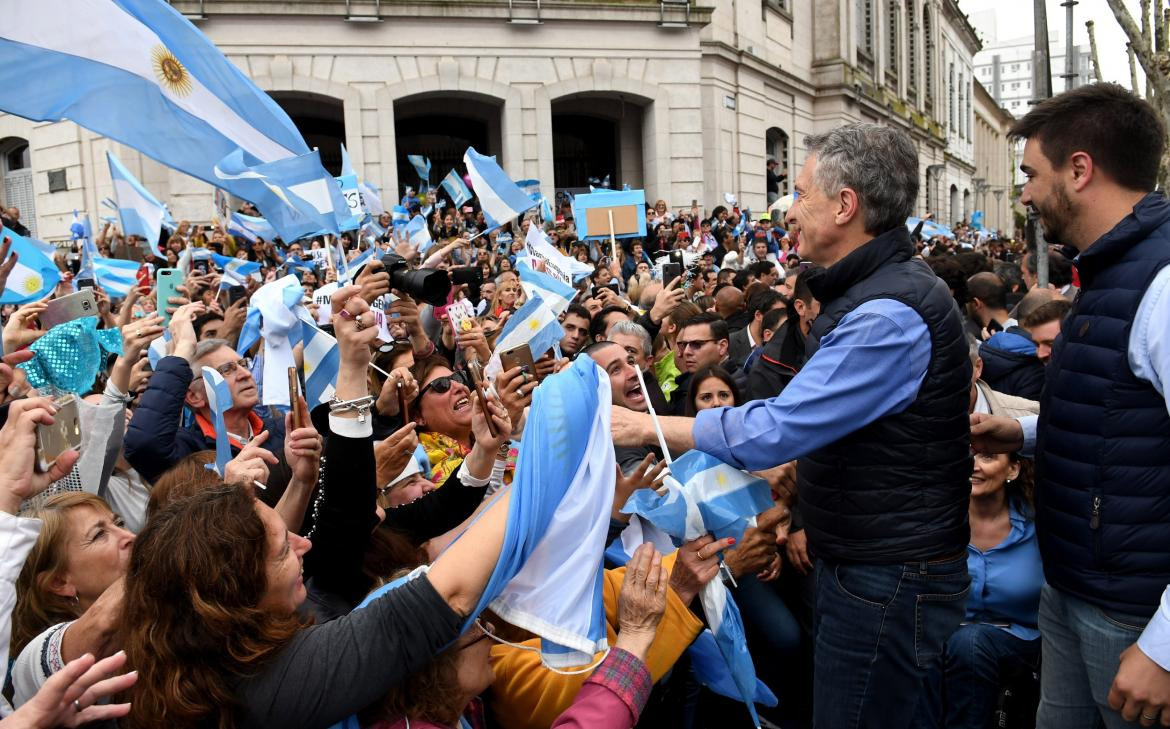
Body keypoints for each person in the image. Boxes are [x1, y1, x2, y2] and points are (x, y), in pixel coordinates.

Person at [611, 123, 973, 729]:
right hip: (871, 559)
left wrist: (646, 427)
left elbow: (776, 428)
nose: (788, 211)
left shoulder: (885, 314)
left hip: (886, 574)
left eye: (800, 193)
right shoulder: (871, 294)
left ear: (845, 204)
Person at [119, 289, 517, 729]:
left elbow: (427, 513)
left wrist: (484, 451)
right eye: (279, 549)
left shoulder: (255, 640)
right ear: (233, 593)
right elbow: (347, 519)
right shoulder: (273, 683)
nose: (302, 543)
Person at [970, 83, 1170, 729]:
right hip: (1074, 589)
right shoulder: (1109, 271)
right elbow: (1117, 416)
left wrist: (1164, 646)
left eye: (1031, 173)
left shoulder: (1161, 284)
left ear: (1079, 169)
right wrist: (1023, 434)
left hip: (1133, 615)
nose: (1023, 193)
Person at [364, 542, 672, 729]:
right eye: (476, 627)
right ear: (432, 669)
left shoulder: (455, 706)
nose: (492, 631)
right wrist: (635, 634)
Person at [912, 450, 1043, 729]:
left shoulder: (1038, 525)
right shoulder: (939, 522)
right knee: (920, 645)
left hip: (1020, 639)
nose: (974, 466)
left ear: (1013, 470)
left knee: (969, 643)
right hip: (947, 635)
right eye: (967, 455)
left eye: (987, 457)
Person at [123, 304, 288, 487]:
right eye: (227, 370)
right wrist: (183, 348)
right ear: (194, 396)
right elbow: (143, 445)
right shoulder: (189, 452)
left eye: (242, 364)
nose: (245, 374)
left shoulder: (283, 429)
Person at [728, 289, 786, 367]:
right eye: (777, 314)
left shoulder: (782, 343)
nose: (783, 320)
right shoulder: (731, 343)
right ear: (758, 315)